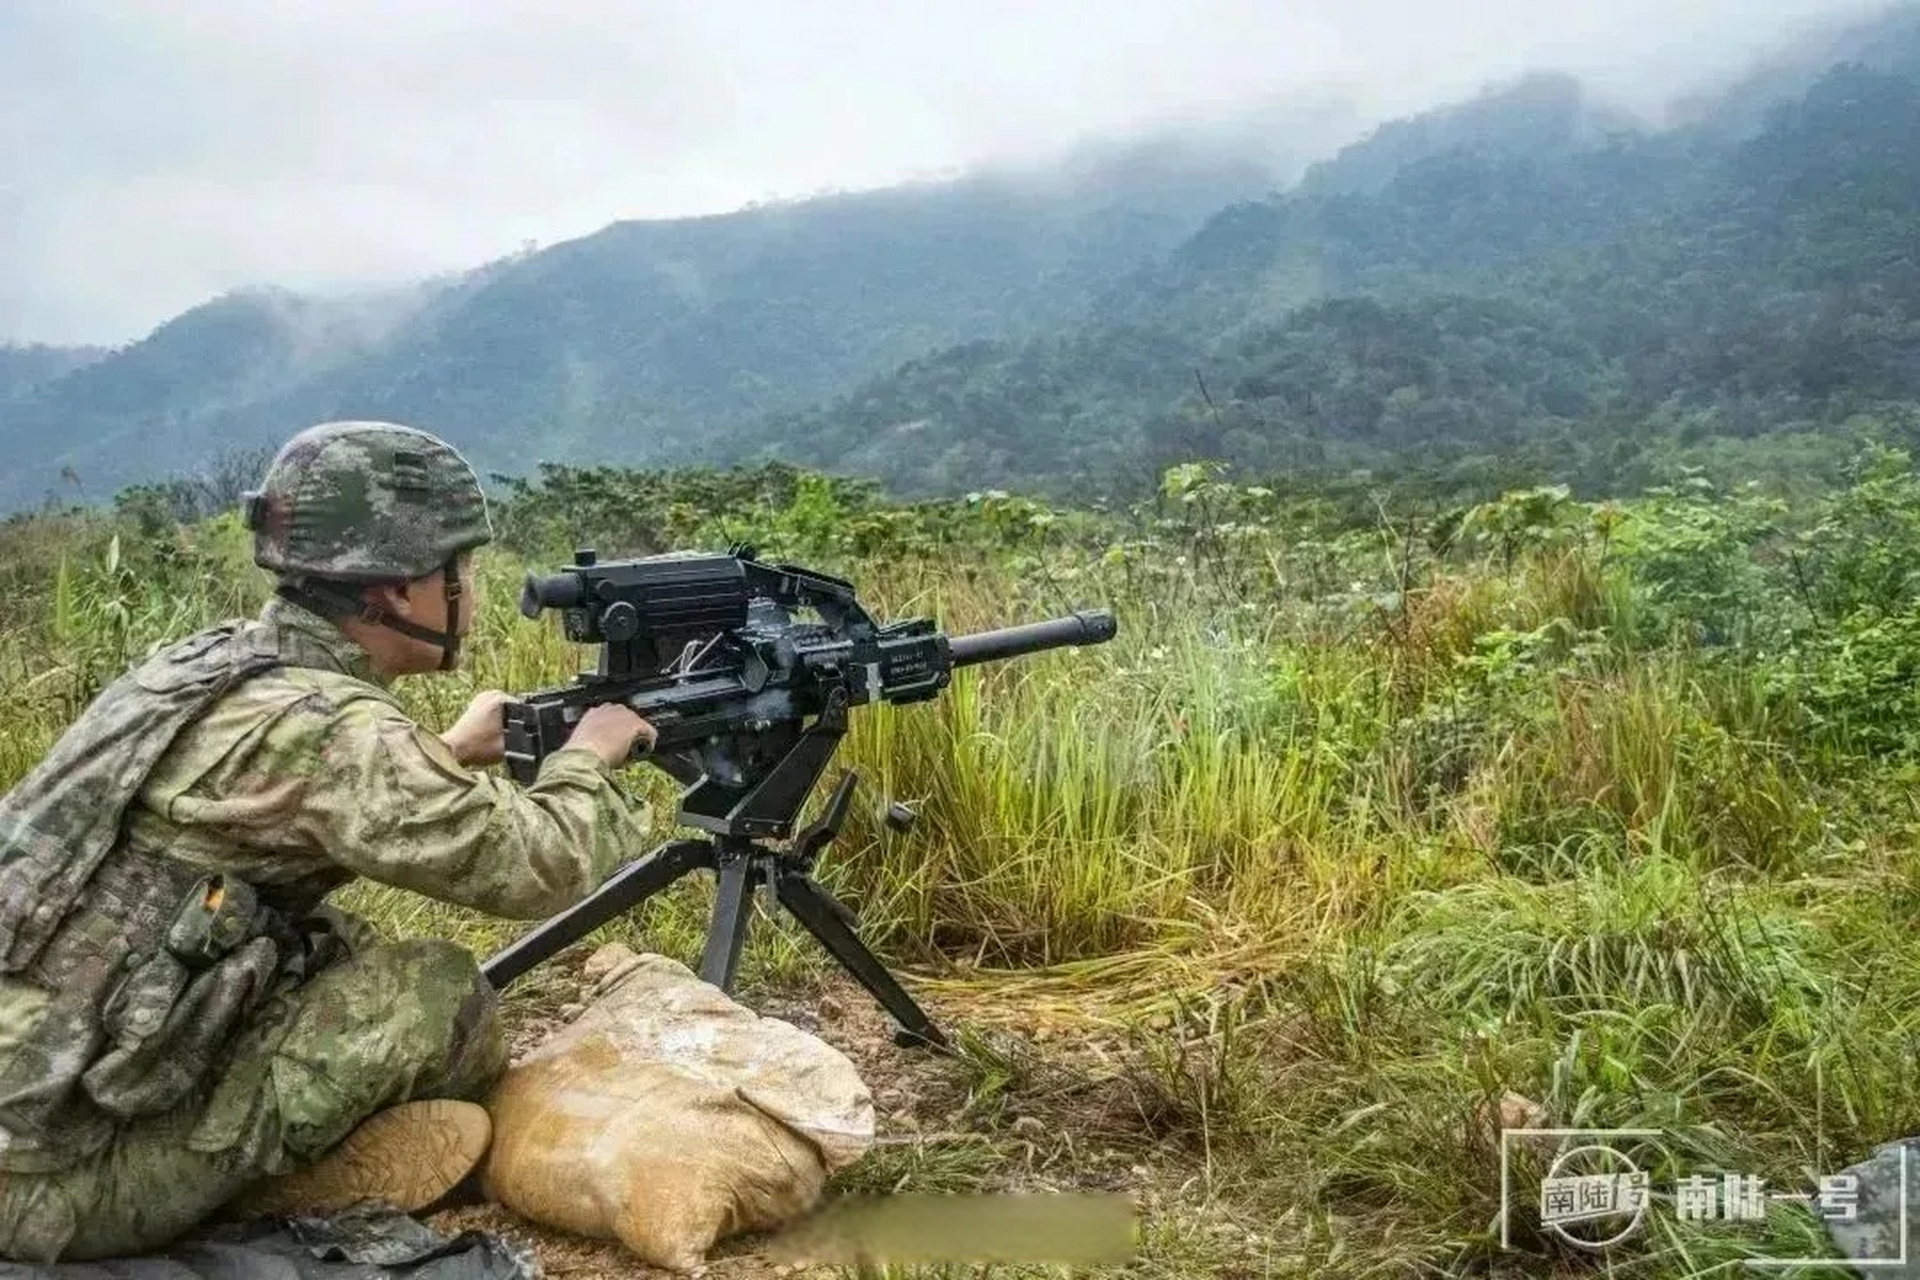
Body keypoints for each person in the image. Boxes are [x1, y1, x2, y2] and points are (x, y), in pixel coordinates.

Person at [0, 421, 657, 1263]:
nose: (472, 588)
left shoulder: (202, 665)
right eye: (460, 569)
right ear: (400, 591)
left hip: (34, 1090)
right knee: (441, 997)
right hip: (45, 1187)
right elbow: (540, 864)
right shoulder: (338, 732)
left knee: (330, 946)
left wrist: (447, 751)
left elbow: (278, 793)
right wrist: (590, 756)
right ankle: (279, 1185)